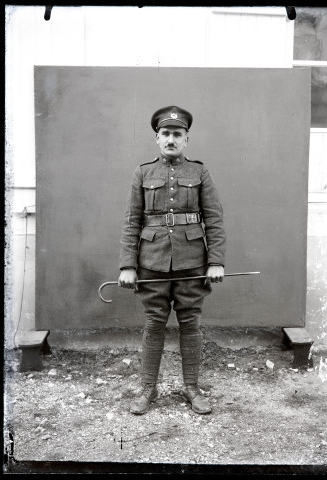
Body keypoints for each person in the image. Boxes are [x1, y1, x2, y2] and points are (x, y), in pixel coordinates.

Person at [118, 106, 226, 415]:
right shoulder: (142, 172)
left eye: (177, 134)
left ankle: (191, 388)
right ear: (157, 138)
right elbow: (131, 222)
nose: (171, 139)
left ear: (186, 139)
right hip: (151, 261)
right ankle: (147, 389)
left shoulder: (200, 172)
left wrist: (215, 261)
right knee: (154, 323)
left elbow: (215, 220)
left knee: (190, 322)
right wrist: (128, 265)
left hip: (192, 259)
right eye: (165, 134)